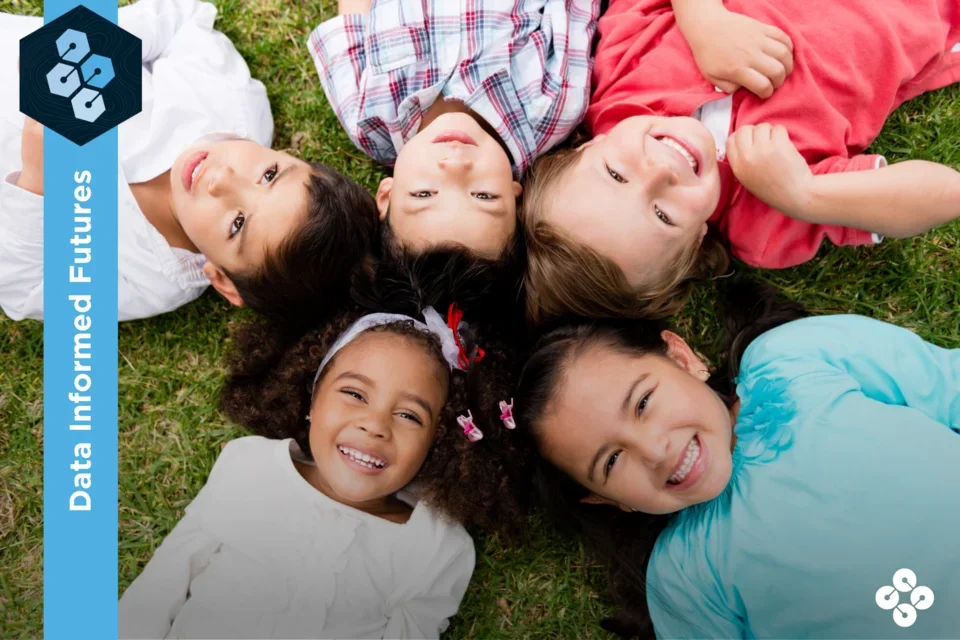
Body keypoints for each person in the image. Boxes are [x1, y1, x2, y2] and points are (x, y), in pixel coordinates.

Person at [510, 283, 960, 638]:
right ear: (608, 501)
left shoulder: (792, 360)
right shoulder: (683, 581)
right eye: (611, 462)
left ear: (683, 358)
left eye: (644, 402)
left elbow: (948, 386)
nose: (654, 451)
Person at [520, 0, 960, 322]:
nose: (660, 172)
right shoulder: (763, 220)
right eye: (662, 214)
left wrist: (705, 22)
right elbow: (945, 193)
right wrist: (805, 195)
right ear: (694, 245)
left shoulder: (617, 89)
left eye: (616, 174)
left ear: (584, 148)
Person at [119, 297, 527, 638]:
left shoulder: (436, 545)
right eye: (354, 393)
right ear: (312, 400)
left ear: (437, 443)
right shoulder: (252, 467)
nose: (375, 424)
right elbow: (161, 586)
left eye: (409, 416)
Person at [0, 0, 377, 322]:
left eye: (237, 224)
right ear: (289, 156)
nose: (222, 179)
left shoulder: (152, 281)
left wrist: (37, 179)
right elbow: (184, 17)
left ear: (223, 280)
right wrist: (80, 52)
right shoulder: (231, 102)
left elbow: (26, 288)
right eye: (268, 175)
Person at [308, 0, 600, 262]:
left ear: (387, 195)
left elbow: (352, 21)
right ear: (517, 199)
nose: (455, 165)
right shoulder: (552, 106)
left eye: (423, 194)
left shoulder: (366, 118)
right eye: (484, 196)